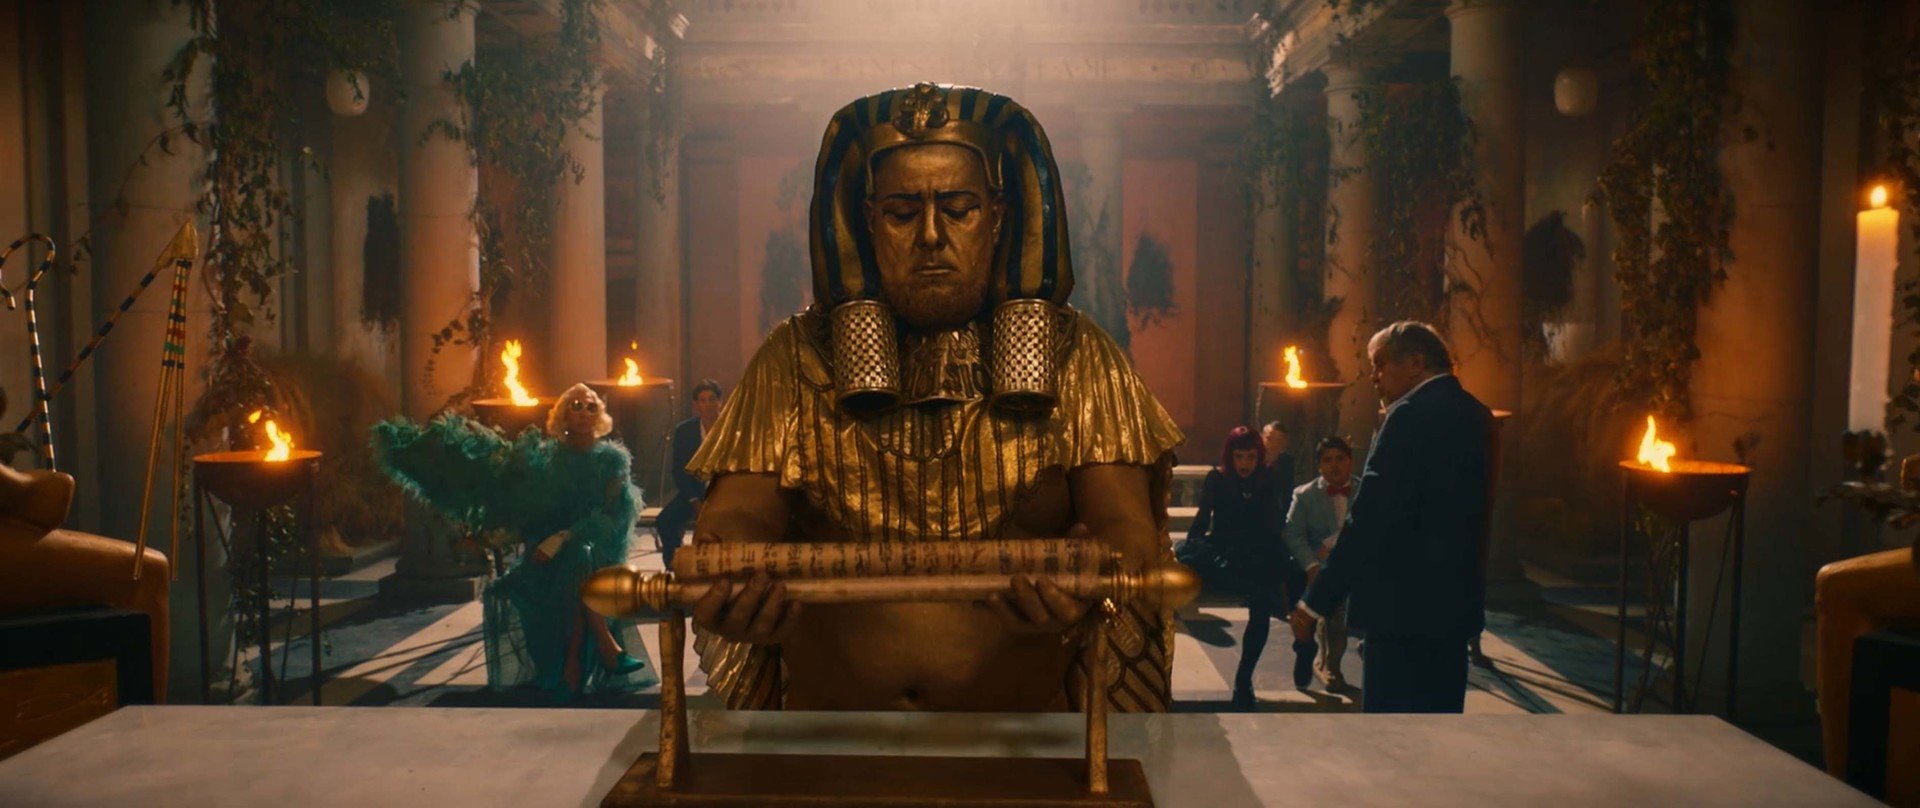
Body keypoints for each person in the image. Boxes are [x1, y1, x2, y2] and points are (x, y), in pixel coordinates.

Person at [681, 83, 1184, 712]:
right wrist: (731, 572)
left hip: (1024, 741)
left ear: (997, 215)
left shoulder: (1078, 355)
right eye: (901, 212)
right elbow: (738, 515)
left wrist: (1093, 583)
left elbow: (1128, 532)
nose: (929, 235)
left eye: (957, 208)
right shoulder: (795, 356)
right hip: (829, 738)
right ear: (868, 221)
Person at [373, 383, 657, 698]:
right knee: (568, 567)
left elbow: (612, 517)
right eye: (576, 406)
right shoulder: (549, 457)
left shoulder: (612, 459)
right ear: (563, 413)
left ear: (600, 414)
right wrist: (502, 531)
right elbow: (535, 511)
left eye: (591, 406)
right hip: (549, 553)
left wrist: (564, 537)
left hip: (597, 547)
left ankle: (576, 664)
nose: (584, 413)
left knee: (579, 555)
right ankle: (604, 650)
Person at [1288, 321, 1492, 713]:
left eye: (1380, 365)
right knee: (1438, 728)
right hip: (1454, 610)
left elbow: (1369, 520)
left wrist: (1316, 602)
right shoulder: (1477, 414)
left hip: (1402, 614)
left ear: (1416, 363)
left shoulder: (1409, 416)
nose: (1374, 377)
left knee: (1392, 737)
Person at [1184, 427, 1292, 708]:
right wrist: (1193, 548)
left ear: (1259, 457)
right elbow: (1202, 520)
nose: (1245, 463)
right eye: (1239, 456)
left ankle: (1244, 677)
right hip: (1223, 550)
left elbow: (1272, 524)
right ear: (1230, 456)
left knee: (1263, 598)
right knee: (1198, 562)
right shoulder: (1217, 478)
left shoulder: (1268, 479)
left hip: (1256, 551)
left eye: (1251, 456)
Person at [1283, 436, 1357, 691]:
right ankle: (1305, 650)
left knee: (1341, 617)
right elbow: (1293, 534)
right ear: (1320, 466)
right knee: (1307, 616)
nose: (1335, 465)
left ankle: (1333, 664)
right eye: (1328, 460)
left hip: (1353, 566)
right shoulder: (1305, 495)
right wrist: (1311, 565)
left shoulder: (1365, 491)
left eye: (1340, 459)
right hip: (1316, 567)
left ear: (1351, 462)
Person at [656, 379, 723, 568]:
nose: (708, 405)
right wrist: (694, 501)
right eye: (703, 400)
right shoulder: (684, 431)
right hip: (695, 493)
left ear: (720, 402)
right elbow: (679, 470)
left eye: (712, 399)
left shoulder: (732, 428)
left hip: (724, 493)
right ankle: (676, 566)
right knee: (665, 521)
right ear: (696, 405)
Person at [1261, 421, 1295, 494]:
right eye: (1269, 439)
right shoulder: (1252, 460)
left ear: (1284, 443)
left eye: (1278, 441)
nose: (1273, 445)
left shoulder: (1287, 463)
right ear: (1261, 438)